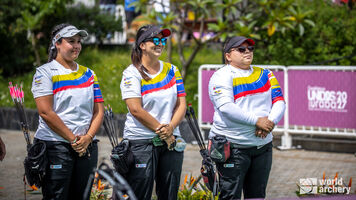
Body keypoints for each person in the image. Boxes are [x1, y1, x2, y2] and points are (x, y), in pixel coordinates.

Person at [31, 23, 104, 199]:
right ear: (57, 43)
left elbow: (98, 111)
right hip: (56, 146)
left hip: (86, 146)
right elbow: (46, 112)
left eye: (79, 41)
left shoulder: (89, 74)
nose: (77, 45)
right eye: (71, 41)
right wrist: (73, 140)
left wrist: (87, 138)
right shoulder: (45, 73)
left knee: (82, 196)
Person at [208, 36, 286, 199]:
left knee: (257, 196)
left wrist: (269, 123)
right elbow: (226, 108)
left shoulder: (265, 73)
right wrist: (258, 121)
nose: (247, 52)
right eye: (241, 49)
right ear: (228, 56)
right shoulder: (221, 75)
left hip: (262, 146)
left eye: (250, 48)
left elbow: (279, 101)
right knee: (230, 196)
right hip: (233, 147)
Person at [119, 25, 186, 200]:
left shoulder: (173, 70)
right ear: (142, 45)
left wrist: (170, 128)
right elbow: (135, 109)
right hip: (142, 142)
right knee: (138, 194)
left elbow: (181, 105)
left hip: (171, 139)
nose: (160, 44)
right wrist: (163, 131)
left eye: (163, 40)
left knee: (169, 194)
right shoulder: (131, 73)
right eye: (155, 40)